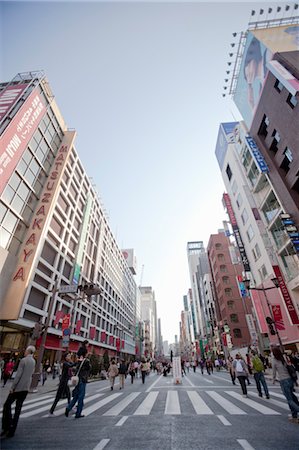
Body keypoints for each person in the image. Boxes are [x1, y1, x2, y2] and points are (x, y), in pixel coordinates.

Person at [1, 346, 36, 438]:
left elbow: (18, 375)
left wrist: (13, 387)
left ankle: (6, 425)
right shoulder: (33, 361)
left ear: (28, 351)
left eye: (25, 351)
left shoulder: (23, 360)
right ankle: (12, 429)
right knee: (18, 409)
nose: (24, 352)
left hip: (18, 388)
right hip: (25, 388)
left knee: (7, 405)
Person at [272, 346, 299, 424]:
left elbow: (274, 371)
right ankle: (294, 415)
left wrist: (273, 379)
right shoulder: (284, 357)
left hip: (283, 381)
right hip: (290, 379)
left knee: (289, 399)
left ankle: (297, 410)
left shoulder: (274, 360)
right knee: (292, 396)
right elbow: (291, 367)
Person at [65, 349, 90, 419]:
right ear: (84, 354)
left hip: (77, 380)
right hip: (82, 380)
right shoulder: (86, 361)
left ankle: (68, 407)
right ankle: (78, 413)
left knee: (76, 396)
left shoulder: (78, 361)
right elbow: (89, 368)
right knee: (81, 397)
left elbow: (75, 369)